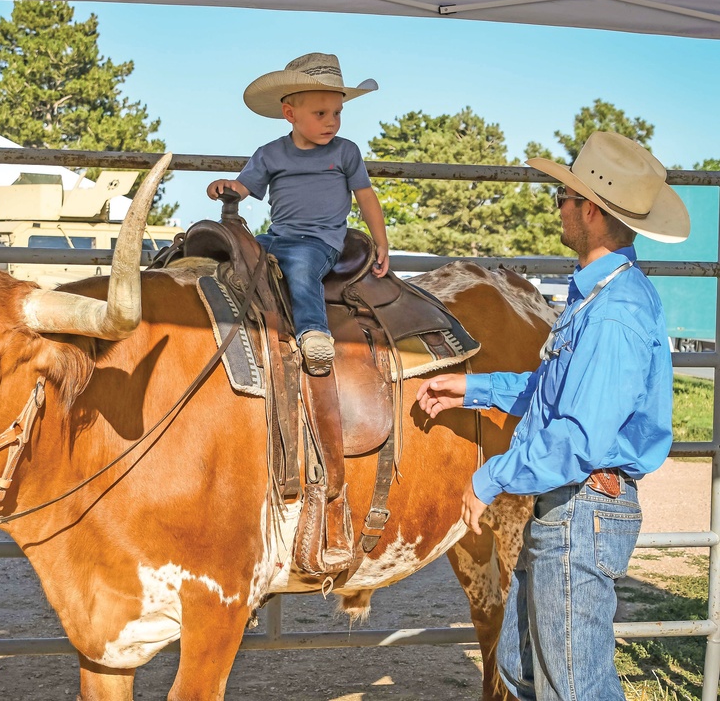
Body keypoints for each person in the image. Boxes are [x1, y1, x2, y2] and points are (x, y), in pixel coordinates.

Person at [415, 131, 690, 701]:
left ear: (589, 209)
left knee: (575, 686)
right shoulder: (595, 294)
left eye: (562, 198)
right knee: (522, 666)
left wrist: (489, 478)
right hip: (567, 503)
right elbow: (555, 391)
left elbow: (579, 436)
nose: (558, 208)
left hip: (584, 506)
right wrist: (475, 387)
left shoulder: (613, 312)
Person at [206, 52, 390, 376]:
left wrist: (381, 241)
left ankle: (314, 333)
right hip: (278, 236)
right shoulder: (270, 153)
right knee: (239, 252)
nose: (331, 121)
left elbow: (366, 196)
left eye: (337, 112)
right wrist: (225, 185)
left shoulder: (346, 151)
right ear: (290, 113)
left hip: (321, 240)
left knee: (303, 269)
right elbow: (243, 185)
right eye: (320, 113)